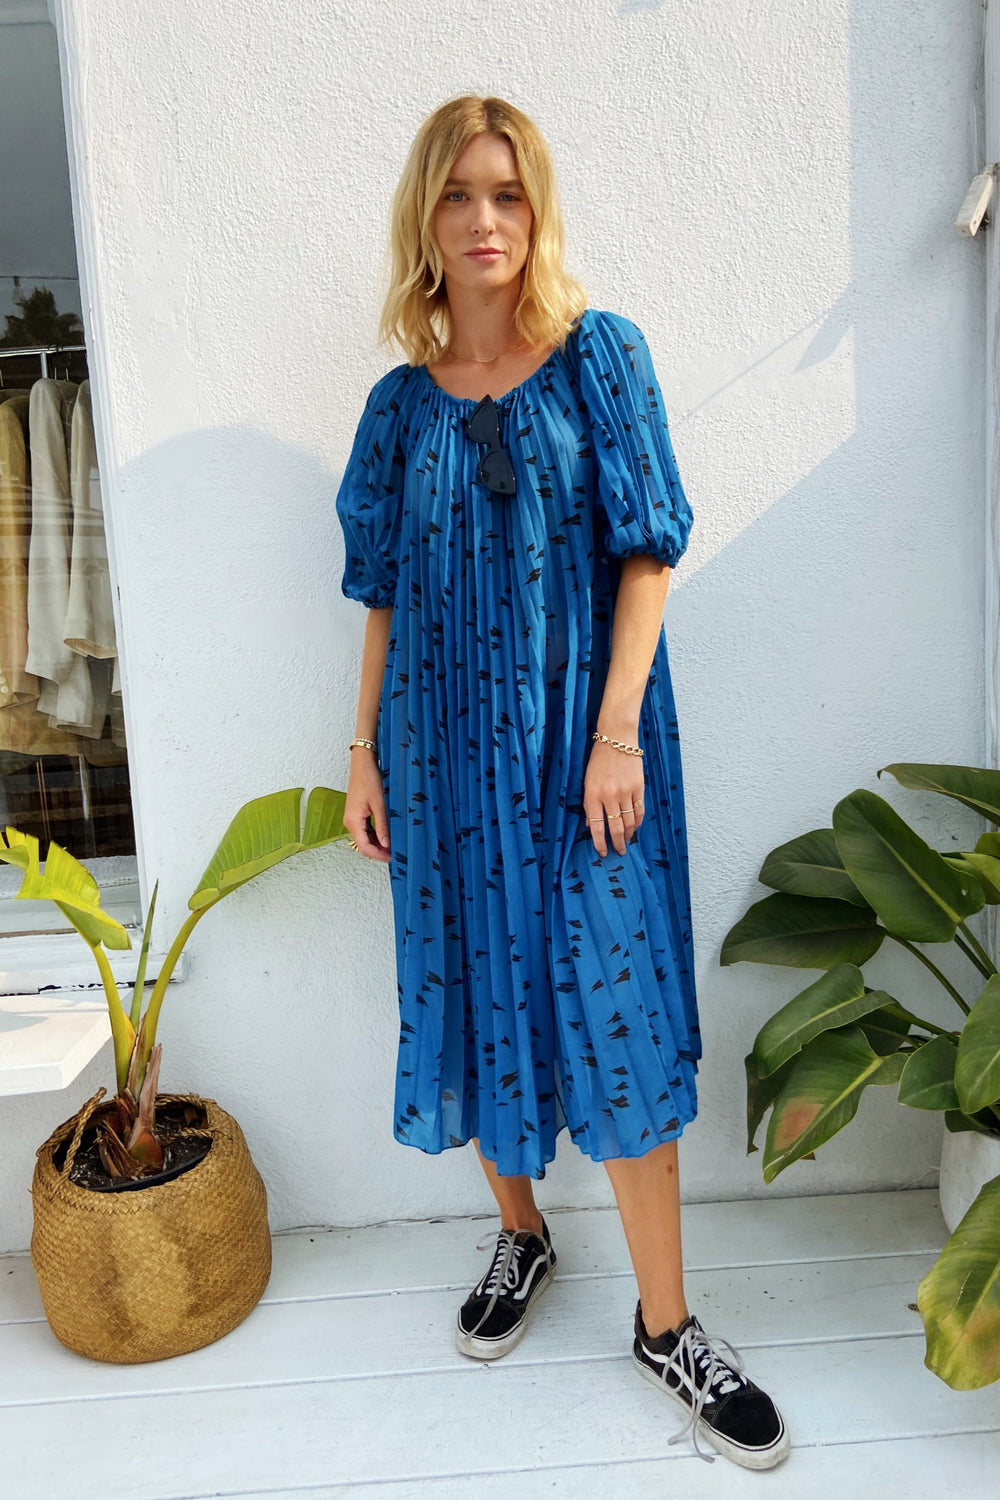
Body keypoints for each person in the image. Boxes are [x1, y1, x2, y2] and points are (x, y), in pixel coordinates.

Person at [336, 94, 789, 1471]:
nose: (485, 220)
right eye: (459, 194)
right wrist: (362, 755)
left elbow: (648, 552)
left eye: (509, 193)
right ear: (425, 216)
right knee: (477, 983)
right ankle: (522, 1232)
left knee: (619, 1006)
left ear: (537, 211)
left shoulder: (601, 356)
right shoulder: (398, 408)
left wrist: (616, 733)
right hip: (441, 755)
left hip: (590, 751)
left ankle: (667, 1324)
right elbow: (385, 593)